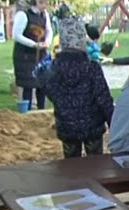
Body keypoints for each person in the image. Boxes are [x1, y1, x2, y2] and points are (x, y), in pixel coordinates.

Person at [36, 19, 114, 158]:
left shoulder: (53, 69)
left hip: (67, 126)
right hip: (93, 126)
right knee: (96, 164)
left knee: (71, 167)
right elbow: (104, 98)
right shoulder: (92, 68)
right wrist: (113, 122)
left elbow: (46, 86)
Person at [12, 0, 53, 110]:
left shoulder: (44, 14)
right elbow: (16, 35)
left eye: (46, 4)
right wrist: (33, 44)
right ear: (36, 3)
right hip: (25, 55)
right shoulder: (23, 14)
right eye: (43, 3)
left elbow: (49, 30)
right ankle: (27, 110)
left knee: (42, 83)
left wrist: (47, 42)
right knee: (28, 85)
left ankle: (41, 110)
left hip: (41, 53)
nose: (45, 6)